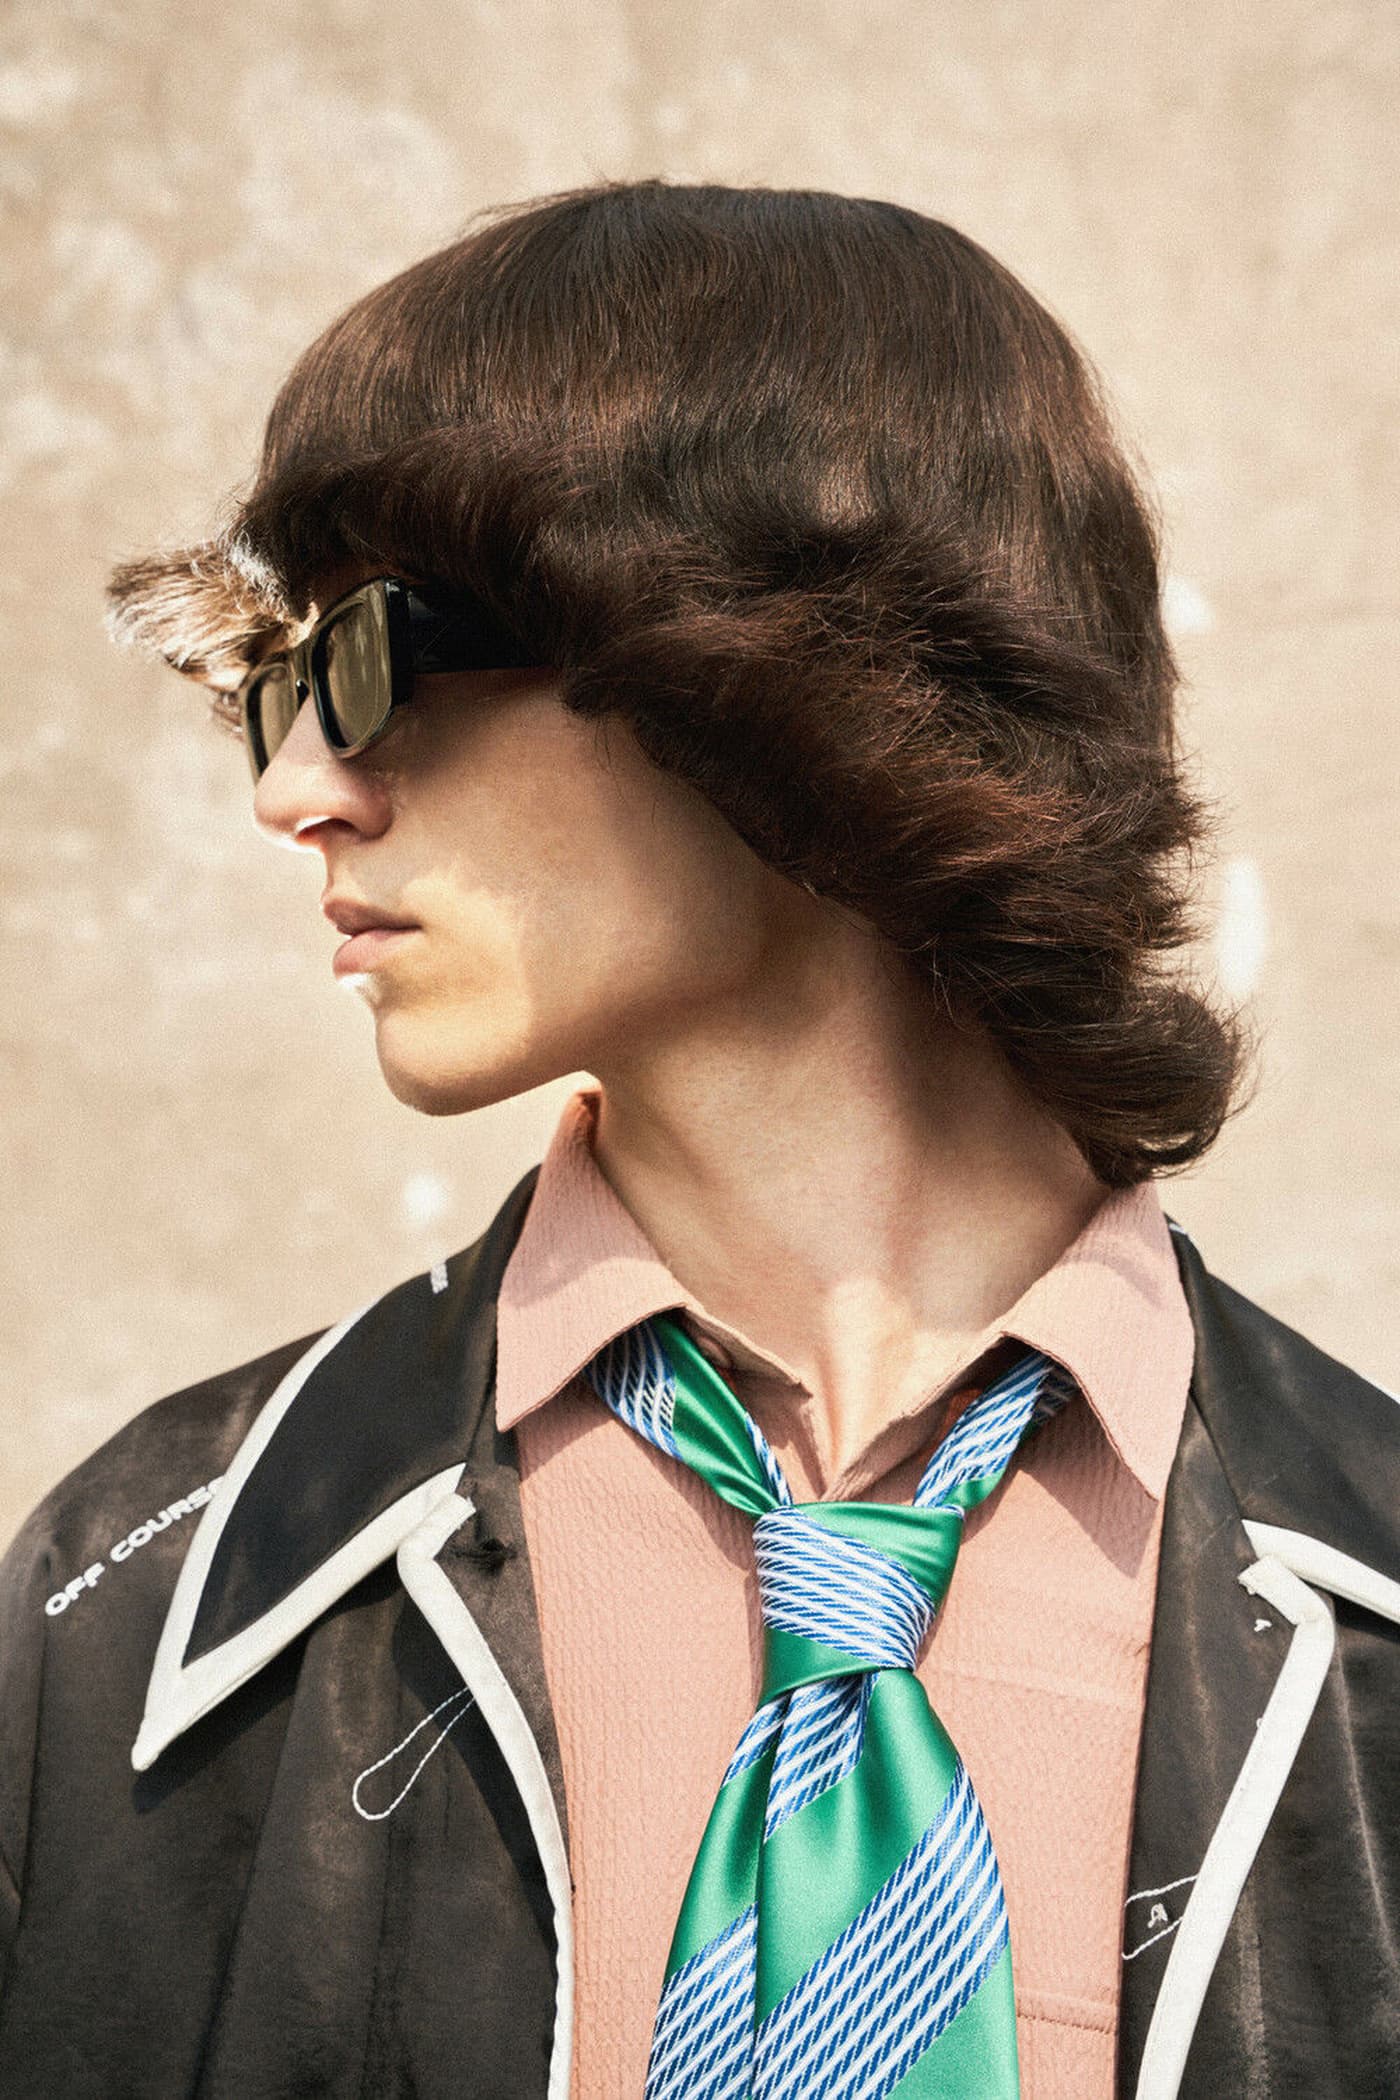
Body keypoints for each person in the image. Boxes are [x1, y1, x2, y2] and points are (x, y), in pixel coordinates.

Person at [0, 179, 1395, 2100]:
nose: (298, 788)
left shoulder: (1376, 1623)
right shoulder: (134, 1607)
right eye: (273, 691)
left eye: (373, 657)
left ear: (789, 673)